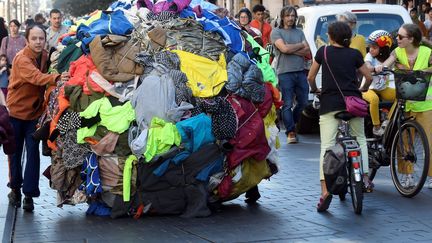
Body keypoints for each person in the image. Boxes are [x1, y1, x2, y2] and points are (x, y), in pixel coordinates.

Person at [307, 21, 372, 212]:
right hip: (353, 104)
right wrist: (362, 89)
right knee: (360, 139)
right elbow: (368, 77)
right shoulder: (355, 54)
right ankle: (365, 178)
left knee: (326, 147)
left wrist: (316, 90)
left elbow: (310, 77)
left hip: (330, 105)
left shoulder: (323, 52)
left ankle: (325, 191)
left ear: (331, 36)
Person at [6, 25, 67, 212]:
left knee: (32, 154)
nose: (38, 42)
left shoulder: (45, 55)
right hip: (15, 113)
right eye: (34, 38)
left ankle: (29, 195)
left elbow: (52, 65)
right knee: (15, 154)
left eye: (41, 38)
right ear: (27, 40)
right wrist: (57, 78)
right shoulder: (21, 59)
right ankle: (15, 189)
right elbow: (37, 77)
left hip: (34, 115)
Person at [375, 23, 432, 189]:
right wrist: (381, 67)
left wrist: (427, 71)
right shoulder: (397, 52)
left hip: (425, 104)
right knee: (403, 141)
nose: (396, 39)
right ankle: (407, 175)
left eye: (400, 37)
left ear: (411, 39)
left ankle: (430, 176)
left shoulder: (427, 53)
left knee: (429, 142)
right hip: (404, 103)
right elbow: (388, 62)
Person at [271, 6, 310, 144]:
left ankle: (291, 123)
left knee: (304, 102)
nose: (291, 18)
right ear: (282, 17)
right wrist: (298, 46)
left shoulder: (299, 32)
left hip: (300, 71)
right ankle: (290, 132)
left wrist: (289, 49)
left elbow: (307, 51)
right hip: (285, 73)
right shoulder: (276, 32)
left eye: (293, 16)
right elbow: (284, 48)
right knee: (287, 104)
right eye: (288, 16)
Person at [361, 30, 396, 136]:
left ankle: (388, 121)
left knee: (400, 97)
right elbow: (367, 66)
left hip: (382, 88)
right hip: (368, 88)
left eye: (374, 47)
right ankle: (376, 127)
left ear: (384, 49)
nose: (371, 49)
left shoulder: (390, 57)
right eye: (370, 46)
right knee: (374, 99)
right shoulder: (369, 56)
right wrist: (374, 69)